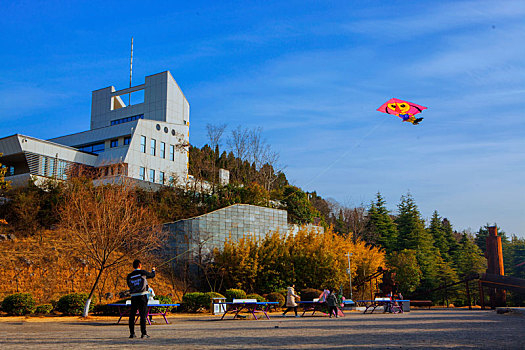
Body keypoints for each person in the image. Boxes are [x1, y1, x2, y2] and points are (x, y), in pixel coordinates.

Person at [127, 259, 156, 339]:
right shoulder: (142, 272)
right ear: (139, 265)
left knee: (132, 315)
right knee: (143, 315)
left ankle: (132, 333)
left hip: (133, 296)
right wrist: (153, 270)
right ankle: (143, 333)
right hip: (142, 296)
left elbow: (129, 285)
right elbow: (152, 275)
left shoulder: (129, 275)